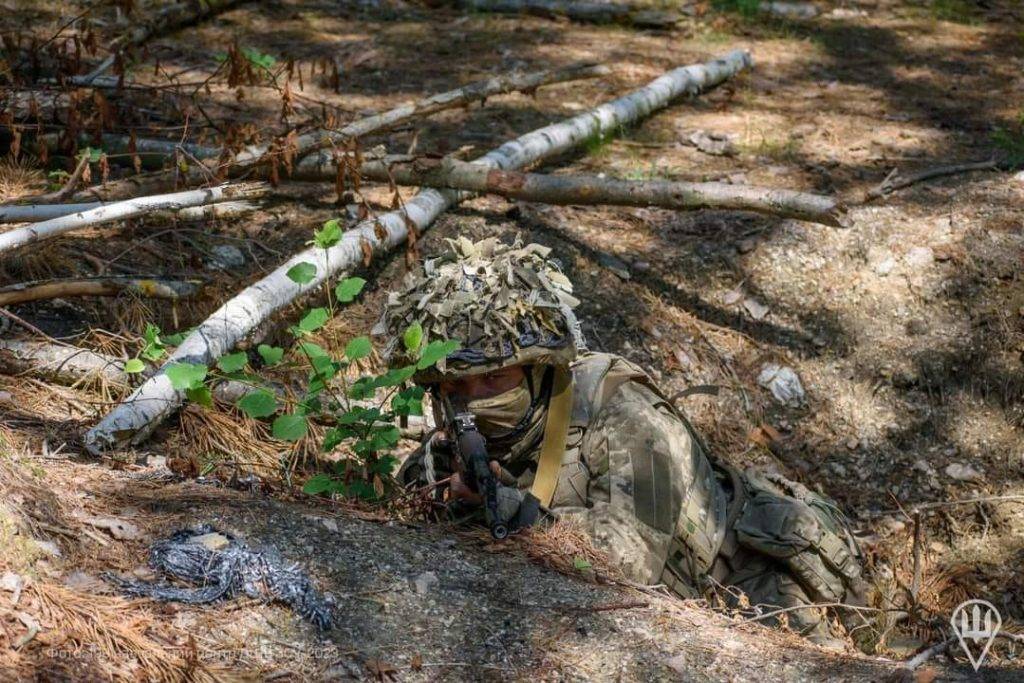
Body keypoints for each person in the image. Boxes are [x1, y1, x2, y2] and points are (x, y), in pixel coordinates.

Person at [376, 236, 870, 647]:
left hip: (747, 599)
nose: (474, 401)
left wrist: (511, 509)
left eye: (493, 381)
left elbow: (629, 562)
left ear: (537, 370)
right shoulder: (461, 428)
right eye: (456, 389)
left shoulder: (620, 410)